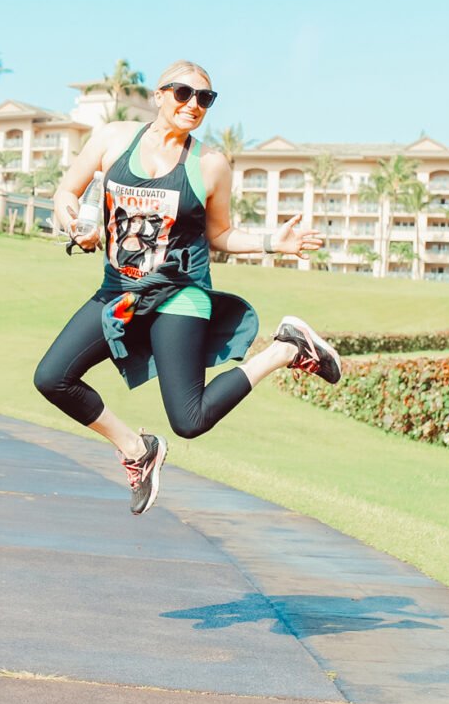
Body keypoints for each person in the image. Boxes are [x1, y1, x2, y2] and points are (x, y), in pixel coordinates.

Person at [33, 59, 344, 515]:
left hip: (181, 293)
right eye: (183, 93)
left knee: (190, 420)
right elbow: (66, 193)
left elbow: (219, 235)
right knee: (52, 378)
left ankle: (284, 350)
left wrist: (271, 242)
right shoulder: (113, 139)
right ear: (159, 95)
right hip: (119, 292)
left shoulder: (210, 164)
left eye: (205, 98)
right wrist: (75, 224)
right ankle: (138, 449)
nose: (193, 104)